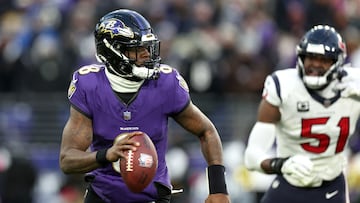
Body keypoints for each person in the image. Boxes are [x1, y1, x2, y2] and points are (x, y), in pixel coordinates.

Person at [59, 9, 230, 203]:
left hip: (153, 196)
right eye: (137, 48)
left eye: (147, 47)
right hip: (103, 195)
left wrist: (218, 189)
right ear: (113, 51)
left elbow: (206, 131)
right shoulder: (89, 85)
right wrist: (107, 155)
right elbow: (67, 160)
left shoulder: (166, 83)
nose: (147, 54)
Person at [244, 24, 360, 203]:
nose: (315, 64)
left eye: (324, 59)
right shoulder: (284, 85)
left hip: (331, 187)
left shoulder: (354, 84)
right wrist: (281, 164)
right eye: (310, 57)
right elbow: (252, 156)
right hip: (289, 184)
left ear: (337, 61)